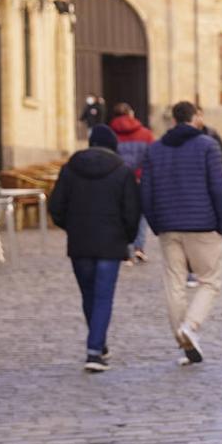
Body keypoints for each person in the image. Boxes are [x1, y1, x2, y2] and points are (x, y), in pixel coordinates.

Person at [140, 101, 222, 365]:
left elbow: (146, 190)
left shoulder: (155, 149)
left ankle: (184, 341)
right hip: (203, 225)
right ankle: (190, 326)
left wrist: (156, 223)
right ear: (195, 118)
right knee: (210, 280)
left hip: (168, 225)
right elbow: (218, 187)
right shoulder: (207, 146)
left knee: (174, 283)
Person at [48, 125, 141, 372]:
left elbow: (56, 207)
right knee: (103, 296)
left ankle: (98, 342)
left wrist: (71, 227)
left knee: (89, 295)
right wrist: (127, 238)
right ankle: (94, 349)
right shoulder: (122, 171)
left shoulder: (70, 170)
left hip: (80, 243)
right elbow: (132, 211)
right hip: (111, 243)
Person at [110, 102, 155, 264]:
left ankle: (125, 250)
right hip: (140, 179)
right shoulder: (146, 134)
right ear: (131, 114)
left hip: (119, 180)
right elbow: (151, 158)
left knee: (121, 213)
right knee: (141, 214)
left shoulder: (111, 135)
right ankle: (139, 247)